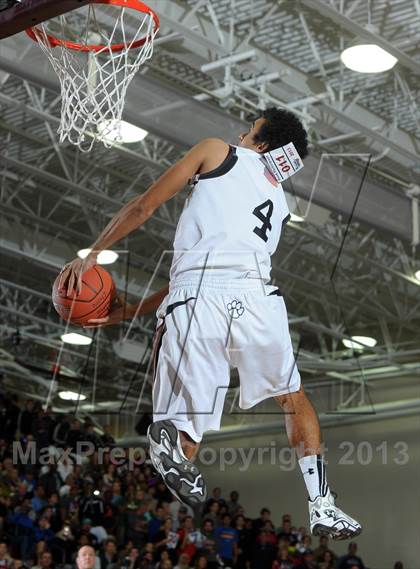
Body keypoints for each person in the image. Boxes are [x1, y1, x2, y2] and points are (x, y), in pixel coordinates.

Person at [61, 109, 361, 539]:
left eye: (250, 130)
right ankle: (322, 503)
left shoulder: (217, 151)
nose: (240, 133)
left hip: (199, 296)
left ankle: (172, 444)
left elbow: (146, 206)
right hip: (258, 297)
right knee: (292, 397)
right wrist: (134, 308)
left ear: (260, 143)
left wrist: (92, 252)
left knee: (186, 423)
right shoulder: (279, 203)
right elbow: (215, 265)